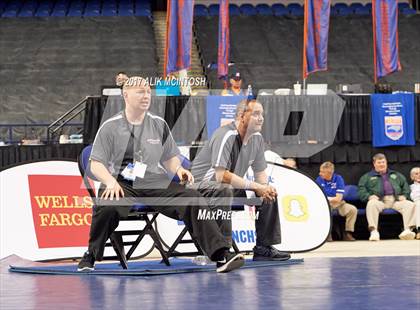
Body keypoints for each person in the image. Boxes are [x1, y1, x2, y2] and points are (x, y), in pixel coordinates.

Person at [78, 76, 244, 273]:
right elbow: (96, 164)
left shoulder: (159, 124)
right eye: (140, 91)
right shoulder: (110, 126)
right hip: (121, 182)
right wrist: (109, 181)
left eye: (148, 91)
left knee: (191, 198)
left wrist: (180, 170)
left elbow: (169, 159)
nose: (146, 95)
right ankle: (91, 254)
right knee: (107, 206)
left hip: (154, 181)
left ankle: (220, 255)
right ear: (126, 95)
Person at [191, 99, 290, 261]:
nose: (261, 118)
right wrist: (257, 186)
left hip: (226, 186)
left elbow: (260, 175)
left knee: (269, 192)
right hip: (199, 186)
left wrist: (264, 188)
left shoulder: (257, 139)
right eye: (256, 114)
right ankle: (223, 251)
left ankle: (263, 248)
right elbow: (221, 175)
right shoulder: (226, 135)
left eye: (262, 114)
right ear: (241, 116)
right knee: (225, 188)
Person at [358, 153, 416, 241]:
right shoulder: (367, 177)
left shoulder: (396, 175)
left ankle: (407, 230)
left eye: (383, 162)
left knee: (410, 205)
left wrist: (404, 195)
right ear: (374, 164)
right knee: (371, 204)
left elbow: (406, 187)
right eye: (379, 162)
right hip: (380, 201)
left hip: (396, 200)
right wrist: (368, 196)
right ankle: (374, 231)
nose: (381, 164)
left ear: (386, 163)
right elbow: (361, 190)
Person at [316, 161, 357, 241]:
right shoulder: (319, 179)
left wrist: (327, 198)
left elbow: (338, 198)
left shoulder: (338, 179)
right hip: (325, 204)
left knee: (352, 209)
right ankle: (327, 234)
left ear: (329, 173)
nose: (320, 173)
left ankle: (347, 233)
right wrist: (330, 199)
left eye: (322, 172)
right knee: (326, 210)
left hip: (339, 204)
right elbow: (318, 196)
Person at [409, 167, 420, 239]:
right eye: (416, 174)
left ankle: (410, 228)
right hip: (417, 203)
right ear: (412, 177)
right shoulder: (411, 187)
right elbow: (414, 197)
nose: (419, 175)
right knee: (418, 204)